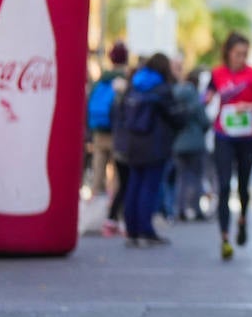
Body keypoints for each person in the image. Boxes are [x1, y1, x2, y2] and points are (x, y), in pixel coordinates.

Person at [207, 32, 252, 261]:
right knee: (224, 186)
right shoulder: (217, 74)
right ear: (228, 53)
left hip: (248, 138)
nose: (241, 58)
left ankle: (243, 219)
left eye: (245, 54)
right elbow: (204, 97)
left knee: (243, 187)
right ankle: (225, 238)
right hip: (223, 136)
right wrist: (208, 99)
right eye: (238, 54)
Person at [120, 52, 184, 247]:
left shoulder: (134, 84)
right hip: (154, 144)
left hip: (133, 142)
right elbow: (175, 116)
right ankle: (145, 230)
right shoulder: (162, 88)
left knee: (134, 185)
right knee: (149, 187)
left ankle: (132, 230)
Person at [87, 40, 129, 209]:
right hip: (118, 132)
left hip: (98, 129)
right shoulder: (125, 79)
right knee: (118, 175)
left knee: (98, 173)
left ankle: (95, 210)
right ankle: (114, 213)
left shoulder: (101, 79)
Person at [171, 65, 212, 222]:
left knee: (181, 177)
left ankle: (180, 208)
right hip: (195, 143)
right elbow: (204, 121)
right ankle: (195, 209)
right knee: (195, 177)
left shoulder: (176, 95)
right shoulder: (195, 99)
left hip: (178, 143)